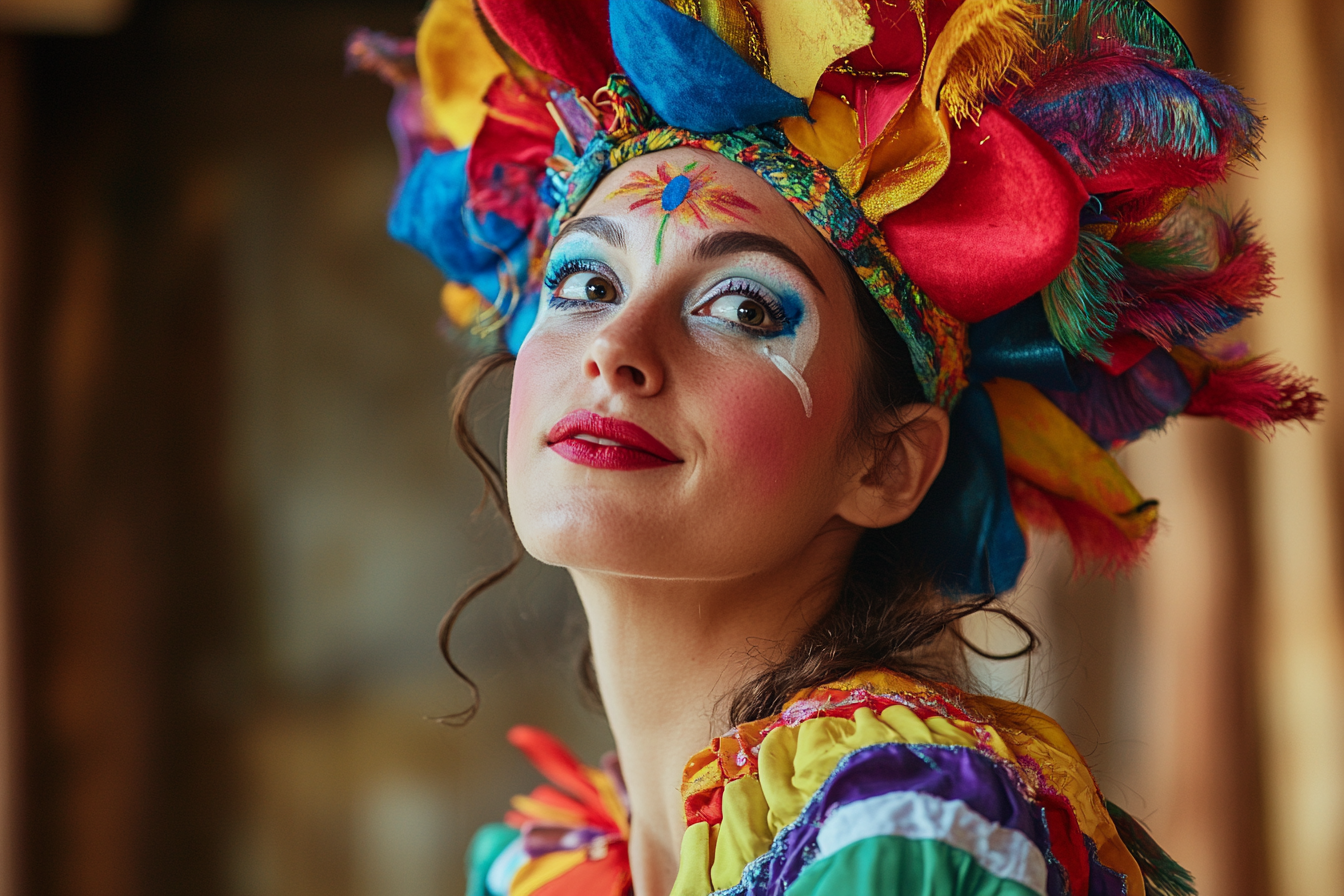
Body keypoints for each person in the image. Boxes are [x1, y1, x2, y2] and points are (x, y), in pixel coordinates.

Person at [350, 1, 1321, 894]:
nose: (615, 348)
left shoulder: (910, 827)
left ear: (886, 462)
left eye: (742, 306)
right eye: (582, 284)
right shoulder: (543, 863)